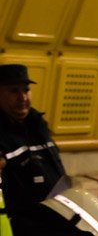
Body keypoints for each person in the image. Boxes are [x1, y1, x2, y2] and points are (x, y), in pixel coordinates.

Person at [0, 65, 67, 225]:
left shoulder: (38, 126)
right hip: (21, 232)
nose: (23, 97)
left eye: (26, 90)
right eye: (14, 91)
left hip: (55, 223)